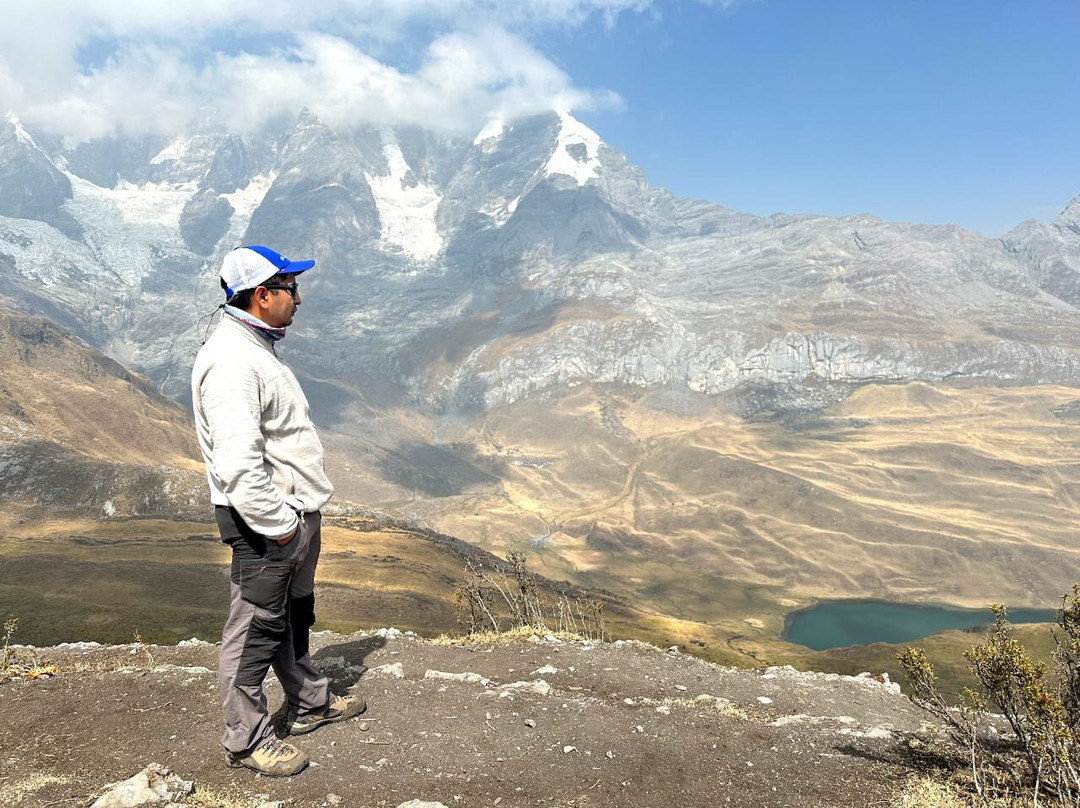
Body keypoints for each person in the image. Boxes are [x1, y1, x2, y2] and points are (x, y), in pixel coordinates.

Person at [191, 245, 366, 777]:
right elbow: (239, 465)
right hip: (268, 523)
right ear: (262, 296)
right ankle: (246, 740)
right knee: (253, 630)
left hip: (290, 517)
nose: (299, 298)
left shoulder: (256, 348)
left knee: (293, 615)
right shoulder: (232, 362)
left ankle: (308, 701)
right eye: (290, 288)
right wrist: (283, 528)